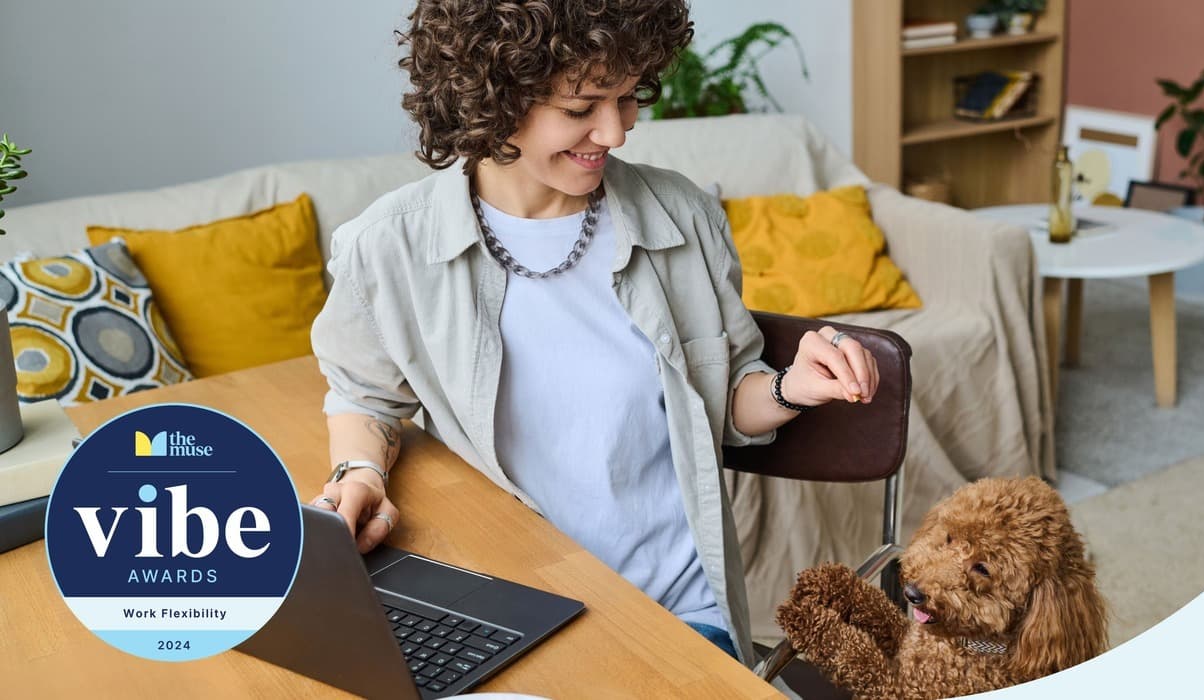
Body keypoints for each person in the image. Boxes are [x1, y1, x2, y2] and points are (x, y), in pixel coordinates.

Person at [307, 0, 879, 666]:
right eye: (581, 108)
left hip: (677, 615)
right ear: (493, 98)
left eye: (629, 97)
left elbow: (722, 402)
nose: (615, 132)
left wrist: (791, 386)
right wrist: (361, 473)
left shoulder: (681, 217)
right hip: (507, 616)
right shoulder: (388, 248)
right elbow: (365, 395)